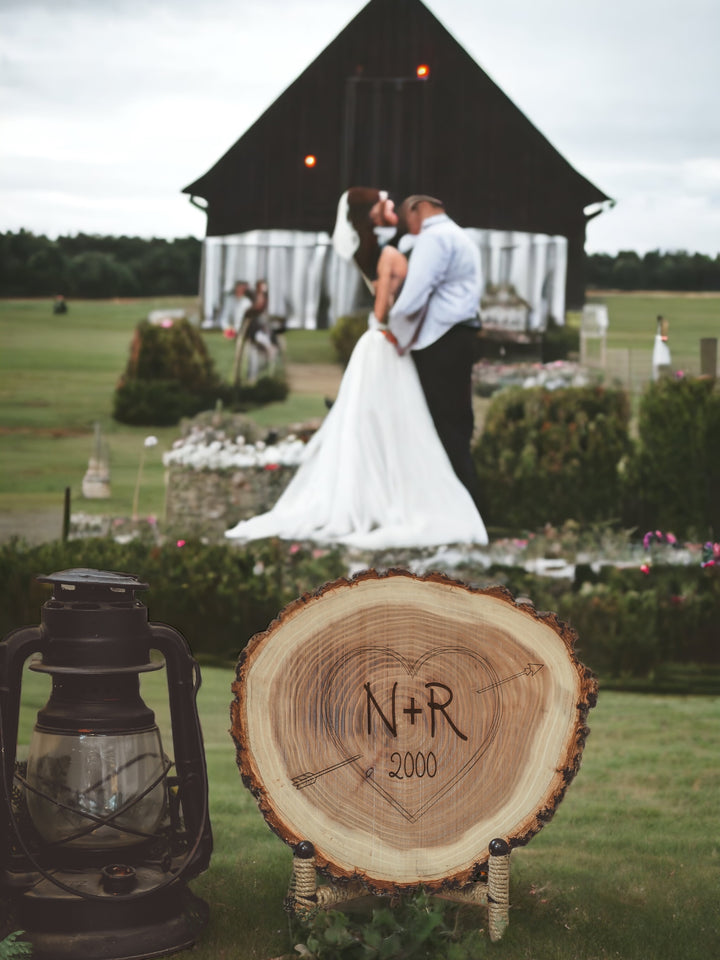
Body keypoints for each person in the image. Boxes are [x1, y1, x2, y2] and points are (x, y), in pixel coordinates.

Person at [224, 188, 488, 549]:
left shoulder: (386, 248)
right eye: (386, 204)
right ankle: (410, 494)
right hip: (387, 340)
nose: (394, 206)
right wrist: (394, 328)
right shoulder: (393, 251)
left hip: (386, 343)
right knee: (399, 421)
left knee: (382, 421)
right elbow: (388, 306)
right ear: (373, 215)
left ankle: (397, 491)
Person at [387, 195, 483, 507]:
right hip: (461, 335)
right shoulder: (460, 235)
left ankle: (457, 505)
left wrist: (392, 332)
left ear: (418, 207)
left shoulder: (434, 238)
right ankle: (466, 501)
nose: (407, 226)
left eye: (406, 217)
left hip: (442, 340)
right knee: (457, 422)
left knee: (440, 426)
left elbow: (415, 295)